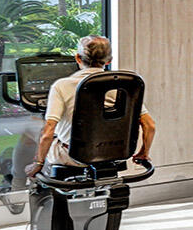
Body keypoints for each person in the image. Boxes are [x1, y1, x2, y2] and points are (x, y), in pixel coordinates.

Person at [26, 35, 156, 177]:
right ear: (109, 60)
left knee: (37, 138)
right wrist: (143, 153)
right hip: (114, 154)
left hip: (73, 156)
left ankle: (30, 184)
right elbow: (150, 126)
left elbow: (48, 132)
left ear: (78, 58)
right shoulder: (124, 85)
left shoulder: (61, 86)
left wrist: (38, 163)